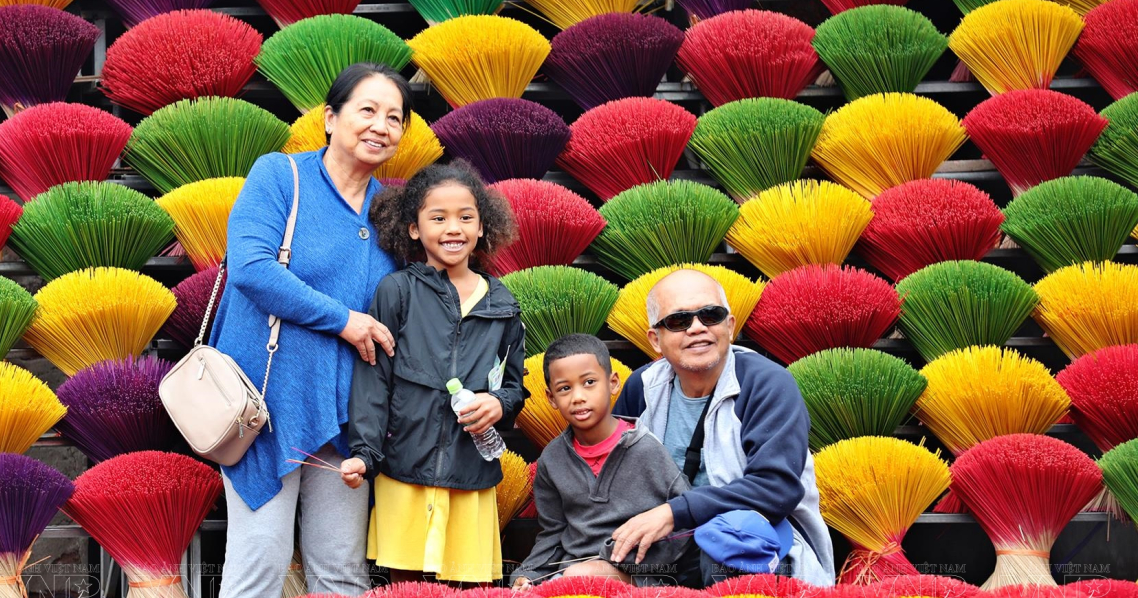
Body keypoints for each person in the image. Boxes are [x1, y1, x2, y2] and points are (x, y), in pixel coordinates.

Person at [212, 63, 411, 598]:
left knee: (340, 572)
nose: (380, 126)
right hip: (267, 406)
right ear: (330, 117)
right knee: (260, 563)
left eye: (395, 117)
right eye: (367, 110)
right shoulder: (282, 176)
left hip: (348, 416)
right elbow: (252, 268)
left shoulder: (394, 210)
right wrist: (345, 320)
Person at [340, 161, 527, 585]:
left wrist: (498, 404)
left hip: (471, 478)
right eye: (437, 218)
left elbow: (514, 386)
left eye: (465, 217)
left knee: (469, 586)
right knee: (409, 588)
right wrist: (365, 455)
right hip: (404, 475)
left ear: (483, 227)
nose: (453, 228)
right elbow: (374, 381)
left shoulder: (504, 304)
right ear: (413, 228)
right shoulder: (397, 292)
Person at [608, 269, 836, 588]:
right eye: (678, 321)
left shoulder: (767, 384)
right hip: (665, 553)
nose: (697, 328)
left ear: (729, 326)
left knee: (729, 535)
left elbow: (776, 488)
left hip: (761, 549)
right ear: (655, 340)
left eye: (710, 315)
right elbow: (613, 478)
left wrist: (674, 512)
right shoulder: (642, 389)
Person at [510, 334, 690, 590]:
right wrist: (527, 575)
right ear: (551, 398)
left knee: (577, 577)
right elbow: (552, 534)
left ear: (613, 383)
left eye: (590, 382)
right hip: (570, 572)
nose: (578, 397)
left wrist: (618, 559)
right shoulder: (552, 459)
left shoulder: (647, 451)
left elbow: (683, 526)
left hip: (640, 578)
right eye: (565, 388)